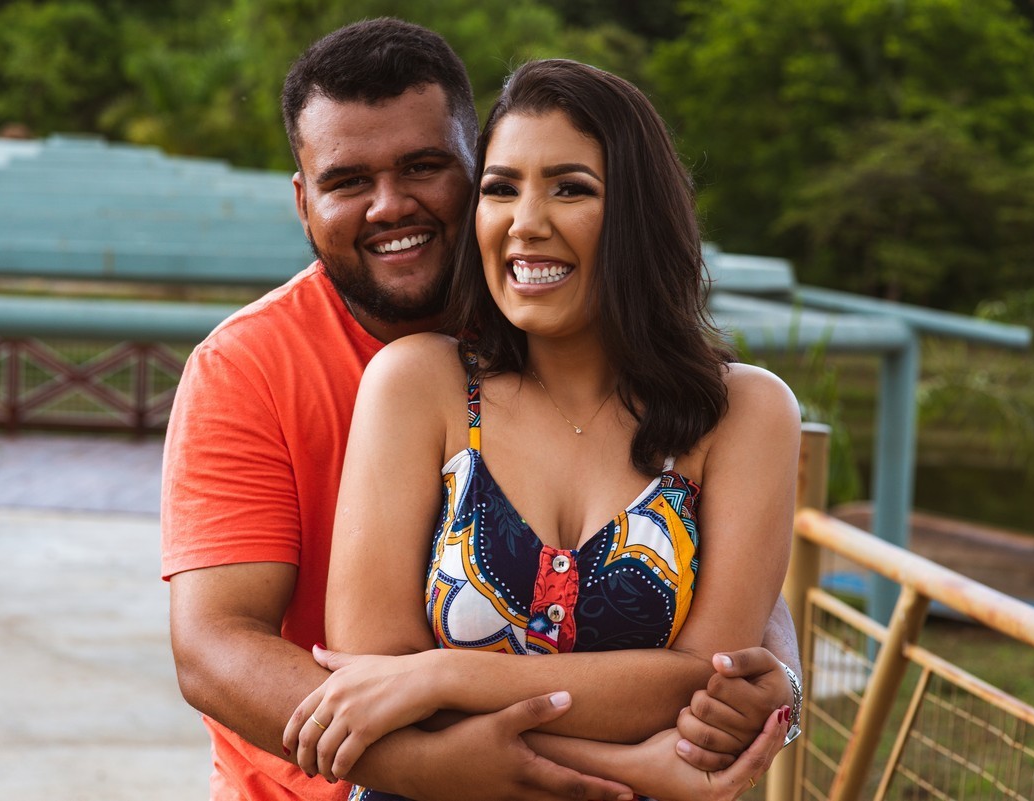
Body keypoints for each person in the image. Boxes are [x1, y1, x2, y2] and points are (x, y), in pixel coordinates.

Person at [162, 19, 801, 801]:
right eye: (348, 180)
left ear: (468, 169)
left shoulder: (570, 322)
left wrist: (776, 686)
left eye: (425, 167)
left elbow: (720, 641)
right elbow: (216, 646)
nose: (390, 205)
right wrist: (438, 763)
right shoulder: (267, 367)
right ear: (304, 200)